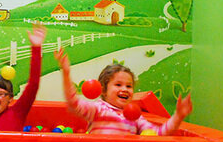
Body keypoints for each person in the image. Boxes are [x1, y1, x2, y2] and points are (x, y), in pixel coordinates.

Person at [54, 48, 192, 135]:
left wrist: (178, 116)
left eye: (129, 86)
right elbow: (73, 104)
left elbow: (158, 134)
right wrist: (66, 73)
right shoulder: (99, 109)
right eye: (118, 84)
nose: (124, 89)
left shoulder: (135, 116)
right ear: (104, 90)